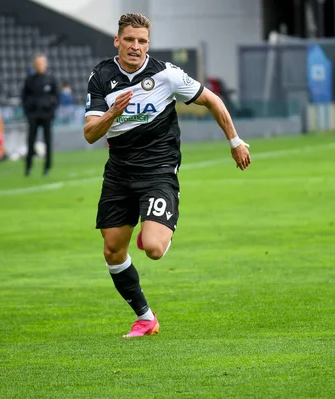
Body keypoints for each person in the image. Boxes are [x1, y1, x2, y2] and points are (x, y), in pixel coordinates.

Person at [83, 13, 251, 338]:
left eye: (142, 41)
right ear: (117, 41)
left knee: (154, 248)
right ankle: (146, 318)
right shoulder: (101, 76)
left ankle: (161, 223)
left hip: (158, 170)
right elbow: (90, 134)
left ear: (149, 43)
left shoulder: (166, 74)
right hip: (119, 173)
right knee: (113, 250)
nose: (136, 46)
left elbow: (212, 100)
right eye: (129, 40)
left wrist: (234, 141)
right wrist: (112, 113)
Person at [21, 54, 59, 176]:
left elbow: (57, 97)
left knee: (48, 141)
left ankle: (47, 167)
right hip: (33, 115)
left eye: (42, 63)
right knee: (30, 141)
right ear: (34, 65)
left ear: (46, 64)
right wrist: (28, 112)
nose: (40, 66)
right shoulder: (29, 80)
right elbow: (23, 97)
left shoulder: (51, 79)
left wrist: (52, 111)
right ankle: (28, 167)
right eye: (38, 63)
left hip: (47, 115)